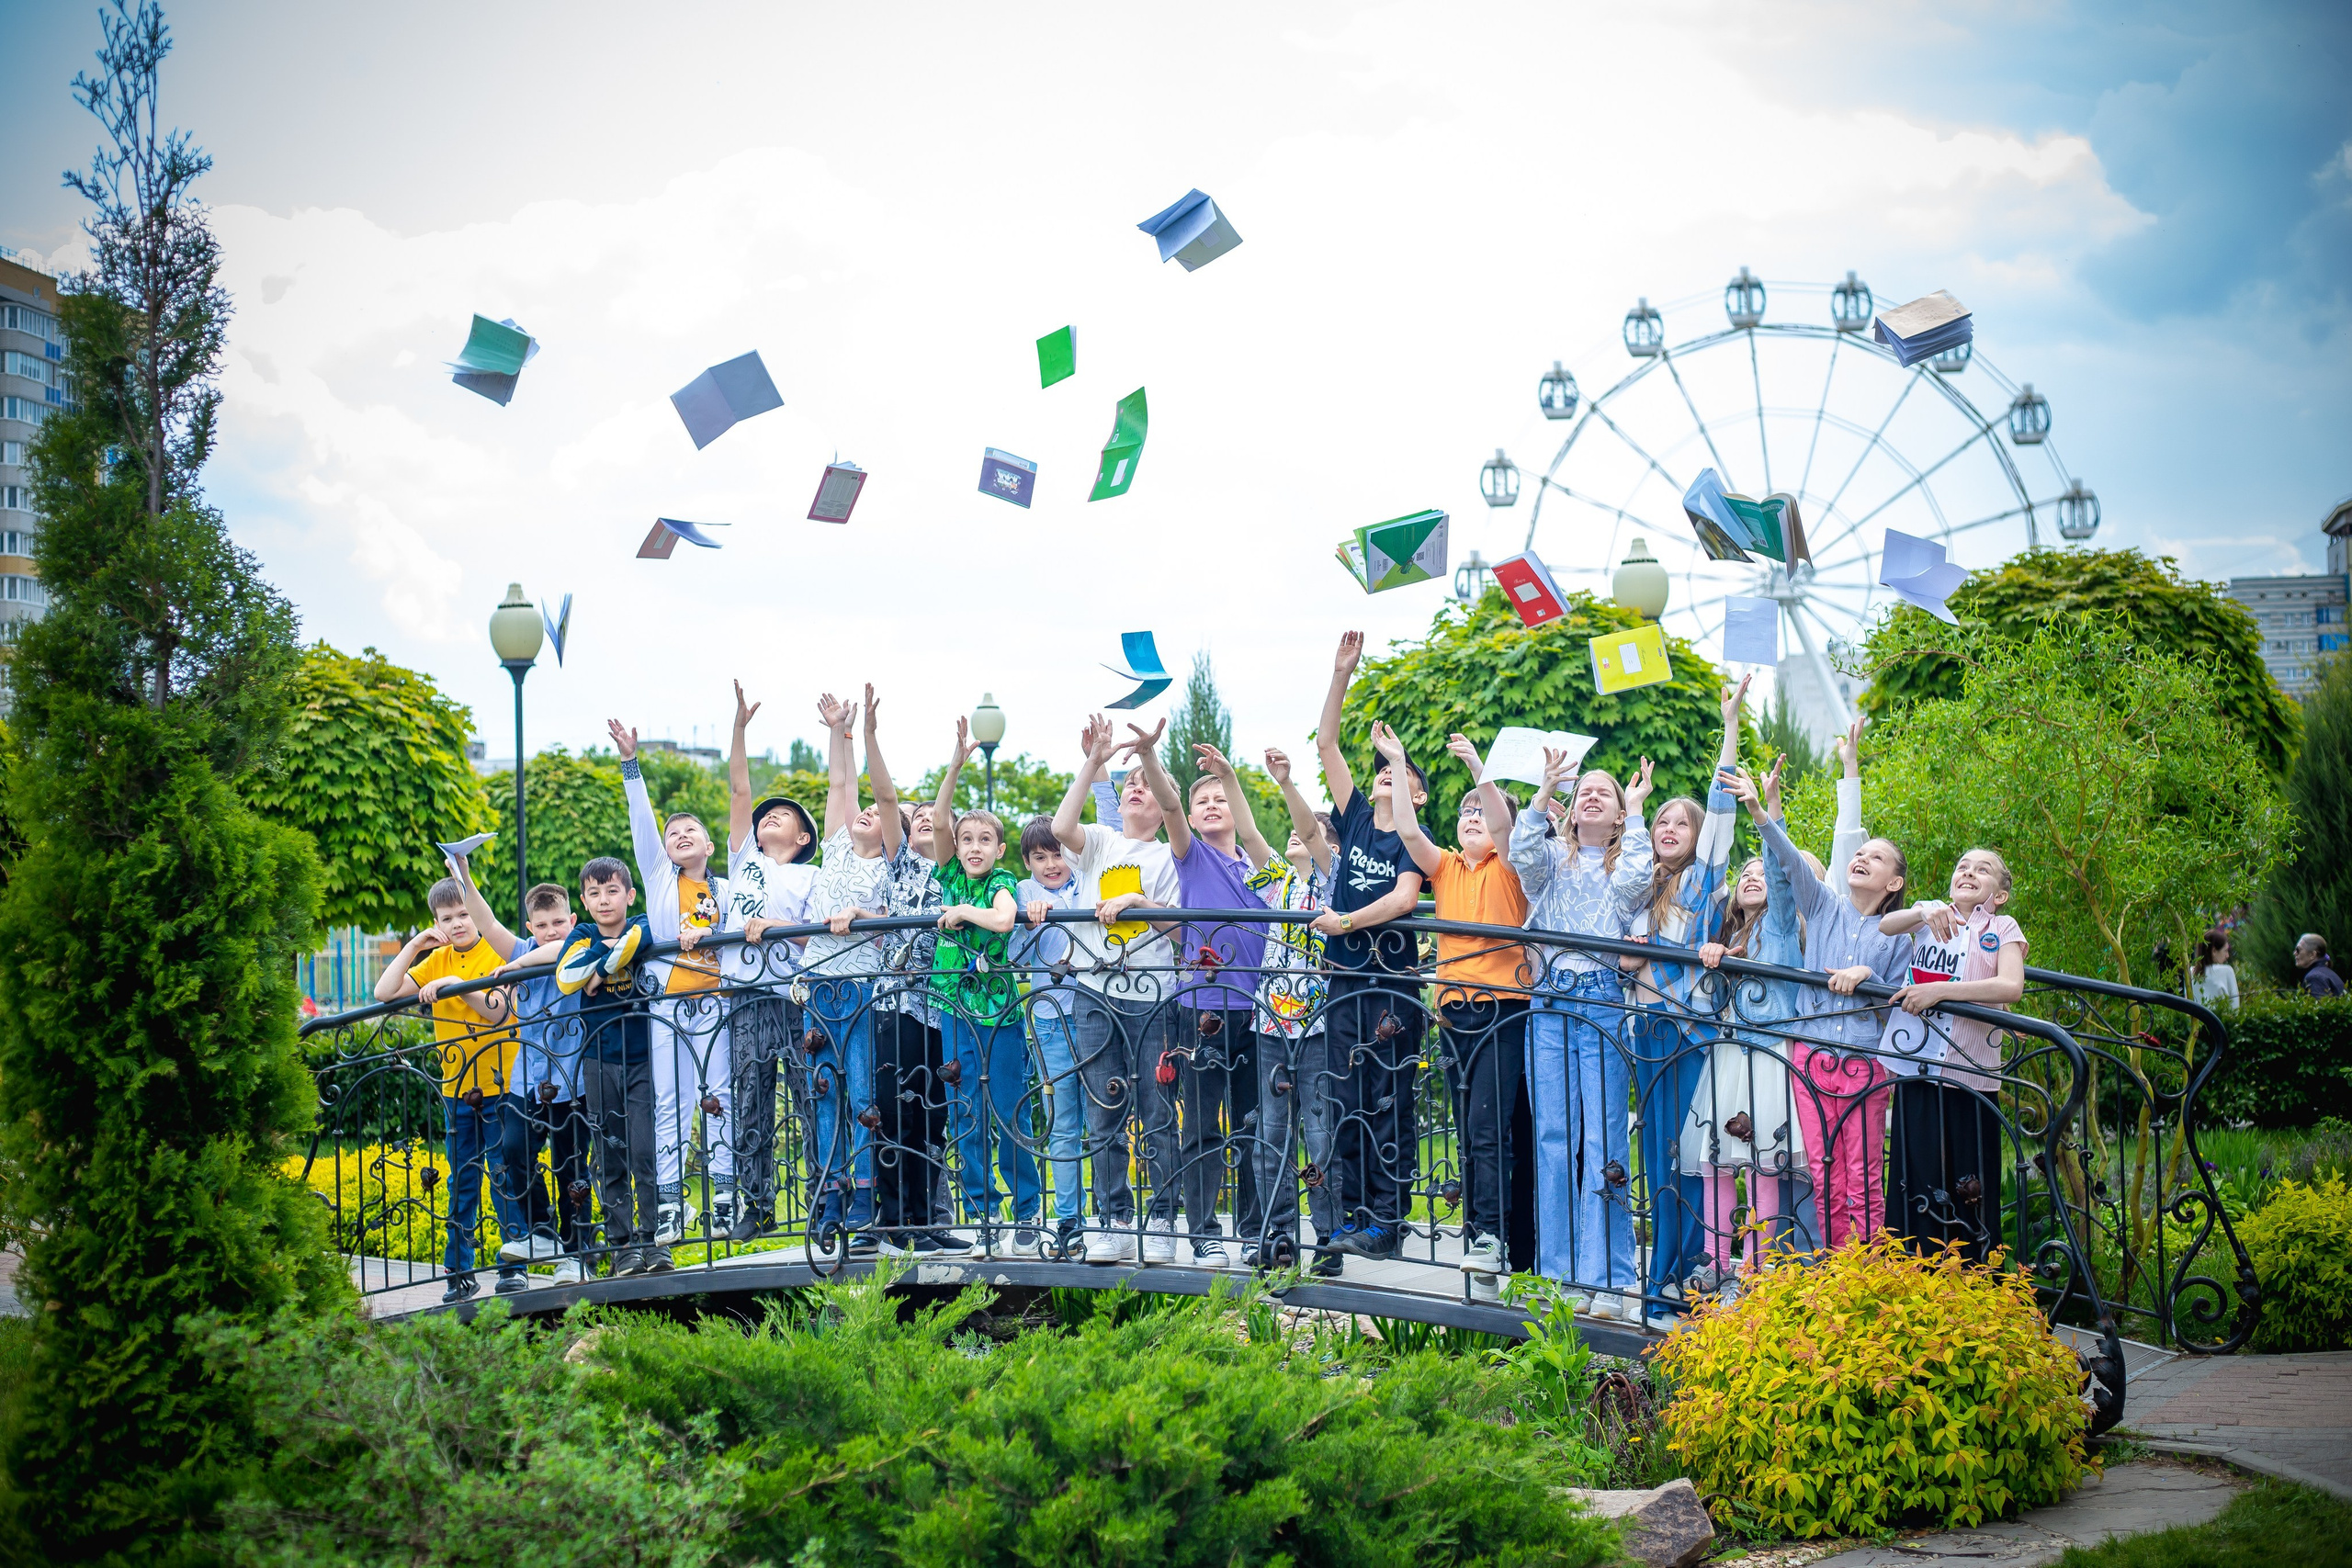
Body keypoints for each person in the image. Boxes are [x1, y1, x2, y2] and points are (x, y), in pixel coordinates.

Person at [1733, 768, 1916, 1250]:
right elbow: (1790, 862)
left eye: (1876, 857)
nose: (1862, 858)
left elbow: (1900, 999)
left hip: (1865, 1065)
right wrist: (1762, 810)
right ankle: (1834, 1270)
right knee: (1823, 1171)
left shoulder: (1899, 935)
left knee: (1863, 1175)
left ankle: (1866, 1271)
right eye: (1860, 853)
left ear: (1893, 882)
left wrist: (1867, 976)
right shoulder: (1822, 906)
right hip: (1811, 1060)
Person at [1510, 746, 1653, 1317]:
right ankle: (1559, 1273)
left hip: (1601, 1000)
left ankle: (1610, 1277)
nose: (1593, 796)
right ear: (1571, 811)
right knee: (1552, 1136)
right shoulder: (1550, 858)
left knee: (1605, 1136)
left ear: (1616, 815)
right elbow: (1520, 853)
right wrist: (1544, 790)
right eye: (1584, 791)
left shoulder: (1624, 862)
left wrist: (1638, 811)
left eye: (1605, 792)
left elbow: (1636, 886)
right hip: (1549, 1000)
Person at [1385, 726, 1529, 1280]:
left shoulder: (1509, 866)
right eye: (1465, 812)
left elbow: (1504, 827)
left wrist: (1479, 771)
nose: (1471, 817)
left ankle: (1493, 1237)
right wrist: (1398, 761)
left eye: (1479, 812)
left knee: (1489, 1127)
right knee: (1469, 1128)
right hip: (1453, 1012)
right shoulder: (1444, 866)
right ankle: (1477, 1235)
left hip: (1501, 1009)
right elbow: (1407, 828)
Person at [1623, 678, 1746, 1323]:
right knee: (1657, 1156)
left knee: (1685, 1157)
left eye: (1681, 822)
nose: (1669, 828)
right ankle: (1669, 1276)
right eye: (1661, 821)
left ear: (1697, 837)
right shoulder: (1641, 885)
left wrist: (1730, 728)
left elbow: (1722, 813)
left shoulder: (1701, 883)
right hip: (1645, 1032)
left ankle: (1681, 1277)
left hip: (1686, 1033)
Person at [1312, 634, 1432, 1265]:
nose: (1387, 773)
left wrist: (1346, 920)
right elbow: (1327, 743)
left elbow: (1406, 898)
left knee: (1388, 1103)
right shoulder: (1356, 817)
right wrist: (1341, 675)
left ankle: (1389, 1221)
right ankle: (1355, 1218)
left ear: (1419, 794)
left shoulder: (1415, 836)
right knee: (1347, 1101)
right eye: (1383, 768)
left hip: (1390, 986)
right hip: (1344, 983)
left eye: (1402, 773)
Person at [1049, 713, 1183, 1263]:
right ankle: (1113, 1221)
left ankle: (1165, 1220)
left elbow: (1180, 929)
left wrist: (1139, 903)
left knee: (1157, 1112)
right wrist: (1093, 762)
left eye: (1147, 786)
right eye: (1130, 784)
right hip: (1095, 994)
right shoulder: (1101, 841)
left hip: (1152, 998)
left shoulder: (1172, 854)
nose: (1135, 790)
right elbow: (1062, 827)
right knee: (1103, 1113)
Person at [1142, 734, 1279, 1268]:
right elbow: (1170, 806)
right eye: (1203, 801)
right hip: (1204, 1009)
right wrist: (1150, 756)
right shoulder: (1192, 857)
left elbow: (1252, 830)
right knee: (1201, 1125)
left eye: (1220, 798)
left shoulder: (1260, 865)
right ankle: (1203, 1233)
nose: (1212, 805)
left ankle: (1253, 1230)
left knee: (1253, 1124)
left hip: (1260, 1012)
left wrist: (1230, 777)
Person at [1690, 756, 1826, 1288]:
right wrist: (1715, 953)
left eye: (1759, 873)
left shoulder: (1783, 931)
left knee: (1762, 1163)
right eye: (1743, 873)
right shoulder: (1728, 937)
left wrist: (1764, 809)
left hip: (1769, 1056)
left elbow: (1782, 875)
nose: (1752, 877)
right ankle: (1715, 1262)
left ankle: (1756, 1266)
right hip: (1728, 1054)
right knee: (1717, 1160)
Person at [607, 716, 735, 1247]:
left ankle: (724, 1199)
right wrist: (630, 764)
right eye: (672, 833)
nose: (680, 836)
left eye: (690, 831)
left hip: (716, 1004)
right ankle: (669, 1205)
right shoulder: (661, 877)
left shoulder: (726, 890)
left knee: (720, 1095)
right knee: (670, 1101)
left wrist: (716, 933)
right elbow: (641, 820)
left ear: (709, 845)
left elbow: (742, 934)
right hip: (667, 1005)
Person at [1878, 848, 2027, 1265]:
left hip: (1971, 1074)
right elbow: (1886, 925)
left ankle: (1974, 1278)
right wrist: (1923, 912)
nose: (1969, 872)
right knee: (1914, 1174)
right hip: (1918, 1066)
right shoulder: (1930, 914)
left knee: (1970, 1183)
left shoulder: (2003, 927)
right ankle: (1910, 1269)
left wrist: (1941, 991)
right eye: (1962, 866)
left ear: (1999, 895)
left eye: (1983, 869)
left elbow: (2010, 986)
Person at [375, 877, 520, 1303]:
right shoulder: (436, 960)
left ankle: (514, 1266)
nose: (457, 924)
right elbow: (385, 992)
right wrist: (414, 947)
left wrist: (457, 984)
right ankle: (459, 1271)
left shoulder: (500, 950)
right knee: (462, 1180)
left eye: (463, 914)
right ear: (436, 923)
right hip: (457, 1089)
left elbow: (498, 1011)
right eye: (446, 918)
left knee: (503, 1174)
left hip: (501, 1086)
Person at [446, 863, 590, 1290]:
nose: (550, 931)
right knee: (511, 1153)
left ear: (572, 920)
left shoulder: (581, 943)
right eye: (541, 925)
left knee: (571, 1168)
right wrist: (463, 876)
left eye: (558, 922)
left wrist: (516, 966)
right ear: (530, 927)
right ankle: (542, 1232)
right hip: (527, 1079)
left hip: (572, 1080)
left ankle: (576, 1254)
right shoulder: (522, 948)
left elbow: (560, 951)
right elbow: (487, 922)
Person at [929, 716, 1039, 1256]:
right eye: (967, 839)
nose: (974, 847)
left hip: (1002, 1014)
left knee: (1011, 1110)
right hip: (955, 1009)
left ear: (999, 849)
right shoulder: (950, 874)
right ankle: (982, 1215)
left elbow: (1003, 919)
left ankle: (1027, 1213)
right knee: (964, 1112)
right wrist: (956, 764)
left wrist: (962, 913)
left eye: (985, 840)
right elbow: (939, 818)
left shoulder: (1000, 882)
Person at [795, 691, 897, 1253]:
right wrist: (840, 731)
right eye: (864, 811)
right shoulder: (835, 849)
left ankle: (864, 1198)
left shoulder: (888, 867)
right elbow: (841, 785)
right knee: (824, 1093)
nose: (865, 814)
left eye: (876, 816)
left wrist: (861, 914)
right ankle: (830, 1198)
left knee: (860, 1094)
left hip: (858, 988)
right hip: (818, 985)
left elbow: (892, 923)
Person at [723, 680, 820, 1242]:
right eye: (766, 816)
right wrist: (739, 728)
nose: (769, 818)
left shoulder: (810, 876)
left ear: (803, 836)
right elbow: (740, 791)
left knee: (810, 1098)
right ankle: (755, 1204)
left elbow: (817, 942)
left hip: (794, 996)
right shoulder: (745, 863)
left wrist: (777, 927)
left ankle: (820, 1203)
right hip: (746, 995)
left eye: (782, 816)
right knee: (749, 1101)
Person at [1249, 750, 1340, 1273]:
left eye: (1312, 835)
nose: (1297, 836)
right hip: (1270, 1026)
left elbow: (1308, 828)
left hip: (1319, 1028)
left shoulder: (1330, 882)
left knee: (1321, 1136)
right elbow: (1250, 834)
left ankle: (1329, 1236)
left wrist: (1288, 784)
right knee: (1271, 1136)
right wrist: (1232, 777)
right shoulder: (1278, 881)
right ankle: (1279, 1234)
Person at [549, 859, 661, 1276]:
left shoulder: (643, 924)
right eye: (594, 893)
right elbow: (566, 978)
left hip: (643, 1058)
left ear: (629, 895)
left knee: (645, 1152)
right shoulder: (581, 934)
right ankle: (622, 1246)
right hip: (599, 1059)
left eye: (612, 891)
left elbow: (639, 937)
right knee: (609, 1153)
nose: (604, 900)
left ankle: (653, 1241)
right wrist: (602, 961)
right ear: (584, 900)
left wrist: (596, 971)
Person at [1013, 815, 1089, 1258]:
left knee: (1104, 1119)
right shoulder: (1025, 893)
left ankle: (1115, 1215)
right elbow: (1014, 956)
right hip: (1049, 1017)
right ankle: (1069, 1219)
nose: (1051, 864)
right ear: (1028, 862)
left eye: (1058, 854)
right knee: (1062, 1123)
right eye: (1040, 857)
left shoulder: (1088, 880)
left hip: (1097, 1012)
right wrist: (1028, 925)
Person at [2189, 930, 2240, 1011]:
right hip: (2221, 1019)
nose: (2227, 955)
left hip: (2198, 1018)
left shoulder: (2192, 972)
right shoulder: (2227, 971)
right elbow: (2235, 1007)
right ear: (2214, 951)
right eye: (2225, 951)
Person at [2295, 934, 2344, 998]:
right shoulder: (2328, 973)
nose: (2295, 953)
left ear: (2312, 955)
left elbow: (2321, 1004)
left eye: (2298, 950)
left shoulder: (2315, 978)